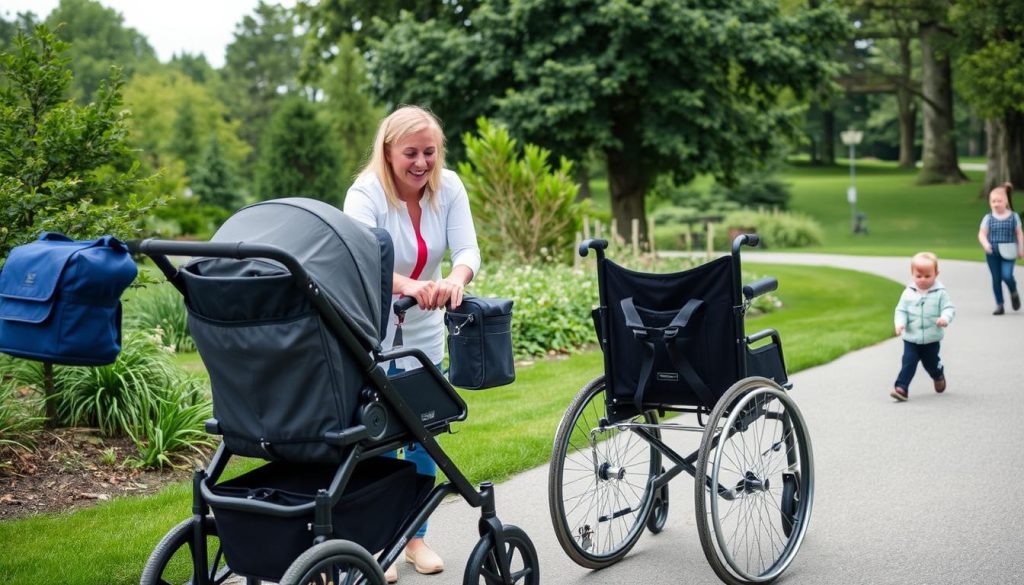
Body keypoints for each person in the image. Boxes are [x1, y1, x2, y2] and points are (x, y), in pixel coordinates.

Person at [343, 105, 480, 583]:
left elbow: (466, 250)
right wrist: (409, 285)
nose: (421, 163)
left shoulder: (450, 188)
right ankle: (377, 542)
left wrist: (455, 281)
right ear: (388, 151)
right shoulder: (365, 195)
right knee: (378, 438)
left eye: (430, 152)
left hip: (424, 332)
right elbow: (361, 260)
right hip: (373, 331)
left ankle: (414, 539)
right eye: (410, 154)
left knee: (423, 434)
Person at [891, 252, 956, 402]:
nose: (923, 280)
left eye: (928, 276)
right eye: (918, 276)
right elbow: (901, 310)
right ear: (912, 274)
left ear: (936, 274)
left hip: (931, 339)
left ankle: (938, 374)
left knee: (931, 364)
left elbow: (949, 308)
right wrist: (899, 324)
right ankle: (902, 388)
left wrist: (945, 318)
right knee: (909, 361)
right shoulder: (908, 293)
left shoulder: (940, 293)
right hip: (911, 338)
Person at [977, 182, 1024, 315]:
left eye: (999, 201)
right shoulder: (988, 218)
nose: (996, 204)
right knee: (996, 278)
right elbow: (982, 233)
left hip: (1009, 251)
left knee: (1007, 275)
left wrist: (1021, 249)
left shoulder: (1013, 217)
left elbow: (1019, 233)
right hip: (992, 252)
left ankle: (1013, 291)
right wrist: (985, 244)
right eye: (993, 201)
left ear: (1006, 201)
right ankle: (999, 304)